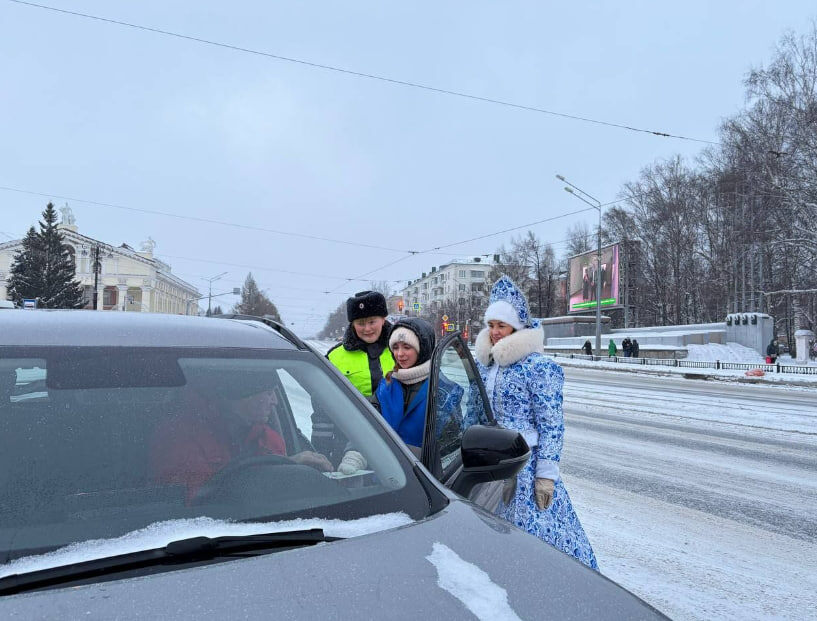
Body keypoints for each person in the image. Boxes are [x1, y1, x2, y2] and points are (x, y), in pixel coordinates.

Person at [472, 275, 598, 570]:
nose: (495, 333)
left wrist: (546, 476)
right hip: (490, 467)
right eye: (491, 326)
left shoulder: (538, 368)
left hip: (525, 469)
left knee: (534, 543)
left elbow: (552, 426)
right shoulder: (485, 364)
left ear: (516, 327)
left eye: (501, 325)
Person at [152, 378, 332, 502]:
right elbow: (195, 505)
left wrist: (295, 473)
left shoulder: (270, 439)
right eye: (268, 393)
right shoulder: (179, 437)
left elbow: (277, 500)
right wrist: (281, 471)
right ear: (242, 395)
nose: (275, 401)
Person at [317, 291, 394, 464]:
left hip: (397, 443)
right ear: (352, 324)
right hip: (346, 447)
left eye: (372, 322)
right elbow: (323, 408)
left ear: (384, 319)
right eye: (360, 323)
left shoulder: (400, 349)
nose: (367, 329)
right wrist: (321, 448)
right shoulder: (335, 357)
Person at [370, 318, 462, 451]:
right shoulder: (386, 386)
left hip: (422, 470)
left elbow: (449, 446)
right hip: (386, 465)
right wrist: (356, 454)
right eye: (395, 347)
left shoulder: (443, 390)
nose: (399, 354)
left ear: (422, 350)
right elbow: (369, 425)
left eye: (407, 347)